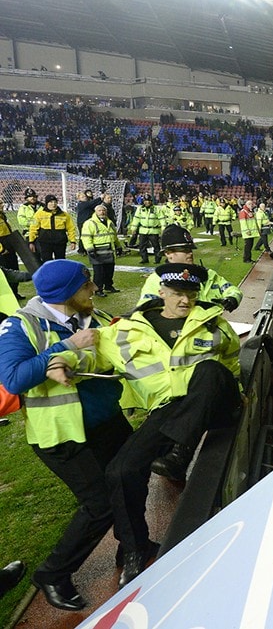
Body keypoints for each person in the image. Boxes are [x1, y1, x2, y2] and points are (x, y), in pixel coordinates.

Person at [50, 263, 242, 585]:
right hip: (169, 409)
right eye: (179, 294)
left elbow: (232, 361)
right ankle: (136, 549)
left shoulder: (213, 323)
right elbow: (91, 355)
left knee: (210, 372)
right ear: (162, 292)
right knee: (120, 471)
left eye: (192, 294)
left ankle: (180, 452)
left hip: (215, 401)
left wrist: (239, 391)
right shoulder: (125, 330)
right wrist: (61, 360)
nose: (186, 301)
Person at [0, 260, 127, 610]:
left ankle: (133, 548)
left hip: (107, 421)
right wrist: (65, 347)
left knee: (129, 481)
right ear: (68, 292)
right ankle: (54, 573)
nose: (95, 289)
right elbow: (13, 379)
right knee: (99, 504)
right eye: (87, 285)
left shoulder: (91, 314)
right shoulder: (20, 325)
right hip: (61, 434)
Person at [137, 225, 243, 310]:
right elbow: (145, 309)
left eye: (190, 249)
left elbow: (231, 289)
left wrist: (232, 298)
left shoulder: (208, 275)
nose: (190, 253)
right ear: (168, 254)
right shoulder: (156, 280)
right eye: (184, 250)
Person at [80, 204, 123, 297]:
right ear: (95, 212)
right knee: (99, 273)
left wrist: (118, 246)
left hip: (109, 250)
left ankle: (108, 286)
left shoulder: (109, 222)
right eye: (99, 210)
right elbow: (86, 237)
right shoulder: (89, 223)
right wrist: (90, 249)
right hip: (96, 251)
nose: (102, 212)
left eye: (103, 210)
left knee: (109, 270)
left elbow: (114, 236)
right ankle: (98, 289)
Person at [29, 195, 76, 262]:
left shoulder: (64, 215)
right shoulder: (39, 214)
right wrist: (31, 241)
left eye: (55, 202)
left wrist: (73, 241)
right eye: (51, 202)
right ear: (46, 203)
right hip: (45, 242)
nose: (53, 204)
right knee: (47, 261)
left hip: (60, 242)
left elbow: (71, 228)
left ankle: (60, 272)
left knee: (60, 261)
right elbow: (33, 228)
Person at [128, 194, 163, 264]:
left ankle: (157, 259)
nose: (147, 202)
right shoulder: (140, 209)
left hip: (154, 230)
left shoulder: (156, 209)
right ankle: (144, 259)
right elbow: (136, 219)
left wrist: (163, 228)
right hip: (143, 230)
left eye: (149, 201)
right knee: (142, 246)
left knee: (156, 246)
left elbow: (162, 219)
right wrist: (133, 229)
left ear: (151, 201)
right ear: (143, 201)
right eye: (146, 201)